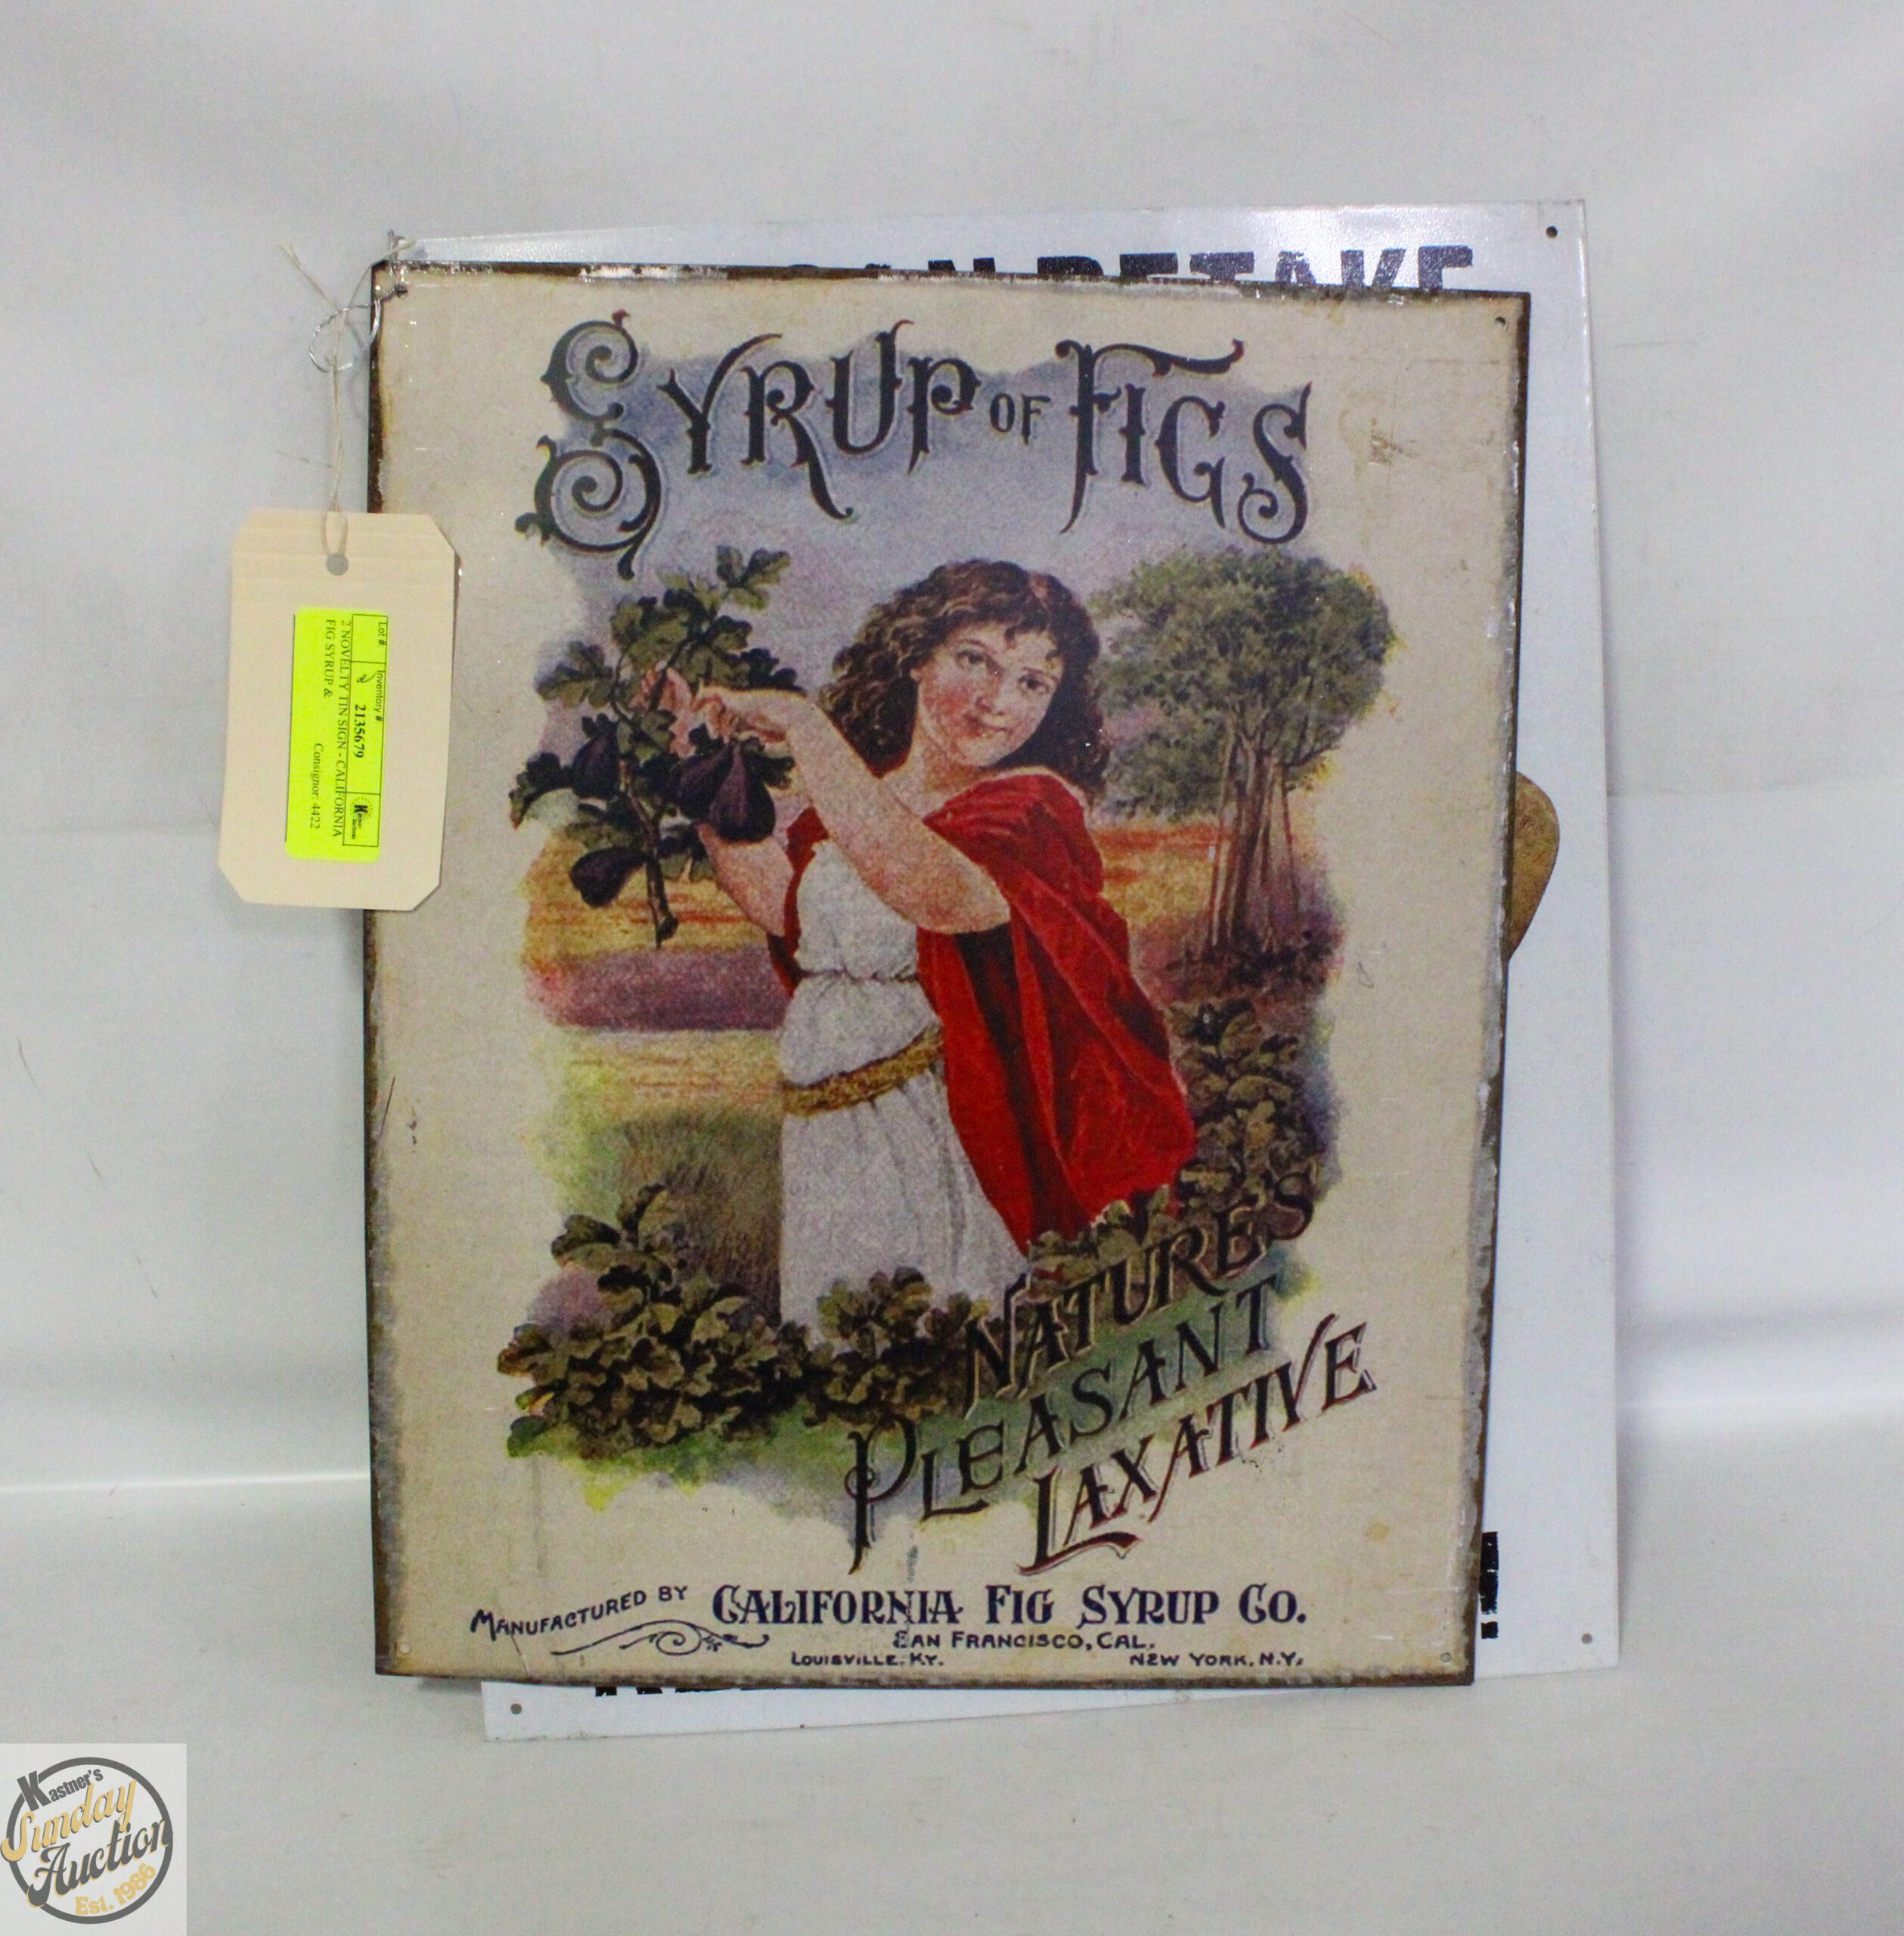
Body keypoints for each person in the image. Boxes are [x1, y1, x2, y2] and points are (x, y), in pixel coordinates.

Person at [656, 560, 1195, 1329]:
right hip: (828, 1122)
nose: (997, 701)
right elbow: (791, 914)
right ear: (915, 654)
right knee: (838, 1323)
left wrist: (804, 726)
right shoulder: (859, 804)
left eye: (1031, 682)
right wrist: (701, 770)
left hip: (941, 1121)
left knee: (935, 1318)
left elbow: (932, 891)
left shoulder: (1031, 810)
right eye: (974, 659)